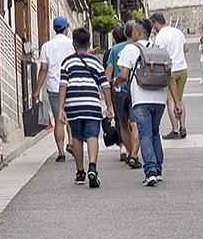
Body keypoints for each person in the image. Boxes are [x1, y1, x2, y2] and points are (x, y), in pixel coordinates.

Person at [114, 20, 168, 186]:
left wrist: (116, 82)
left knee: (145, 133)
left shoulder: (130, 48)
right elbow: (169, 75)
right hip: (160, 97)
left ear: (137, 33)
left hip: (141, 97)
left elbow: (124, 74)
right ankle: (158, 168)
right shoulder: (158, 48)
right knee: (154, 131)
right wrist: (177, 101)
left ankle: (150, 170)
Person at [58, 28, 110, 188]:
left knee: (77, 138)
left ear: (73, 44)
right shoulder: (95, 61)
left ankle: (80, 172)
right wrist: (109, 106)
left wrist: (61, 108)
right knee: (92, 135)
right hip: (91, 104)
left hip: (73, 104)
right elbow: (105, 85)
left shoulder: (67, 62)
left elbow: (63, 85)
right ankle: (92, 167)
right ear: (89, 44)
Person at [37, 16, 75, 162]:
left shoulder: (46, 46)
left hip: (54, 87)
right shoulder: (72, 44)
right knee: (71, 117)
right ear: (66, 28)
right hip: (70, 85)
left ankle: (60, 153)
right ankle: (71, 143)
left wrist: (38, 89)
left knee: (59, 120)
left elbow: (44, 69)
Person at [104, 26, 143, 169]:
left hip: (119, 90)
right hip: (135, 90)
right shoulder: (138, 48)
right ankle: (134, 154)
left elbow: (109, 70)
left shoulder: (114, 50)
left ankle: (128, 152)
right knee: (135, 123)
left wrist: (108, 86)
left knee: (123, 124)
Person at [150, 14, 190, 139]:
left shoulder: (160, 36)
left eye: (153, 25)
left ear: (156, 23)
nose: (152, 28)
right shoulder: (178, 32)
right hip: (183, 68)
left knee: (171, 100)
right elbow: (186, 48)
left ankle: (175, 129)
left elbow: (158, 54)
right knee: (179, 99)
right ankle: (183, 126)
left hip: (170, 70)